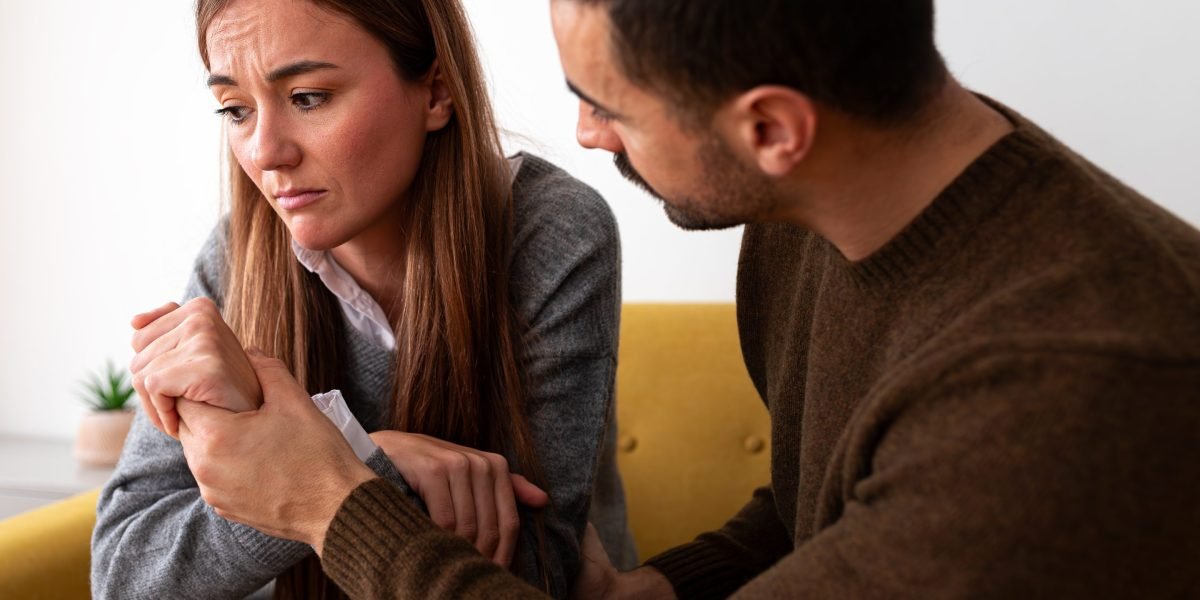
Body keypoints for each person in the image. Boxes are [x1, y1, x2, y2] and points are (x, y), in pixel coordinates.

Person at [170, 0, 1200, 598]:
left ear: (771, 130)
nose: (585, 139)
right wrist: (658, 591)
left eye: (605, 105)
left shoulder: (1066, 393)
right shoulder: (822, 216)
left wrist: (328, 496)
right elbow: (821, 505)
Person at [90, 0, 638, 598]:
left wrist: (326, 467)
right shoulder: (233, 257)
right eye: (235, 109)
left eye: (308, 98)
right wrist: (372, 455)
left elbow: (534, 574)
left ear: (435, 92)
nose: (266, 153)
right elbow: (122, 577)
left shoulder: (551, 233)